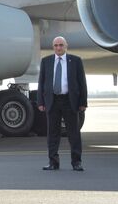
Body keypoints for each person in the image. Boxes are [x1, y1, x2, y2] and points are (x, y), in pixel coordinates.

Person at [37, 36, 87, 172]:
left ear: (66, 46)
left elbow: (82, 83)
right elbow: (41, 83)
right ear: (53, 47)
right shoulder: (46, 61)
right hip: (52, 101)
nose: (58, 48)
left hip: (69, 101)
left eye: (61, 45)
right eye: (56, 45)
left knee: (74, 133)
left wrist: (83, 102)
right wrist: (40, 101)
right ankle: (53, 162)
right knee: (52, 133)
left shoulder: (75, 61)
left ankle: (76, 162)